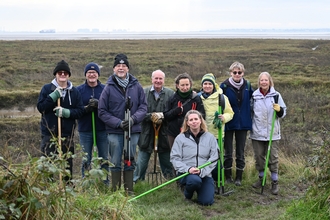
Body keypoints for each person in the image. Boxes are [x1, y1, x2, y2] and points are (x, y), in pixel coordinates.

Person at [98, 54, 147, 193]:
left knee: (130, 159)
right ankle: (115, 191)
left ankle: (128, 190)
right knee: (114, 160)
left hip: (133, 130)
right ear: (114, 69)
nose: (121, 68)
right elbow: (102, 111)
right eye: (118, 66)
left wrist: (133, 120)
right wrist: (118, 123)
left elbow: (143, 107)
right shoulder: (108, 88)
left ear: (128, 68)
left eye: (123, 66)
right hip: (115, 131)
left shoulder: (136, 86)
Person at [37, 60, 84, 183]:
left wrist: (67, 113)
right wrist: (52, 97)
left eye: (65, 72)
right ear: (55, 74)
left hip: (67, 135)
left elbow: (80, 111)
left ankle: (66, 190)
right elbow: (41, 108)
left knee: (67, 166)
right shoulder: (47, 89)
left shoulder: (74, 92)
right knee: (48, 164)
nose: (62, 74)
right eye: (60, 72)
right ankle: (49, 190)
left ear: (68, 75)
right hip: (50, 134)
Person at [133, 70, 175, 182]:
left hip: (164, 131)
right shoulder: (143, 92)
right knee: (142, 160)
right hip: (146, 131)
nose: (158, 81)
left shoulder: (170, 94)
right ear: (152, 79)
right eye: (156, 78)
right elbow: (137, 112)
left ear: (164, 80)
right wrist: (150, 116)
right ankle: (137, 182)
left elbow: (174, 112)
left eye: (160, 79)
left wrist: (163, 116)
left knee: (166, 159)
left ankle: (169, 181)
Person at [170, 110, 218, 206]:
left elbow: (214, 158)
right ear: (187, 123)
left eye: (196, 119)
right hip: (187, 173)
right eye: (191, 120)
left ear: (200, 120)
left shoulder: (210, 137)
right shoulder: (180, 138)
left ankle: (201, 189)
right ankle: (188, 194)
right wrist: (188, 169)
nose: (194, 121)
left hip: (205, 173)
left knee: (207, 202)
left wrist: (202, 171)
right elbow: (175, 158)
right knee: (194, 180)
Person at [250, 72, 286, 195]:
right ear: (259, 82)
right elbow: (250, 113)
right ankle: (261, 178)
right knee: (259, 157)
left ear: (270, 82)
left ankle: (275, 182)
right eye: (262, 80)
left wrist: (280, 110)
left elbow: (283, 112)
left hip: (272, 133)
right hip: (257, 132)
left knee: (273, 158)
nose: (264, 82)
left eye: (266, 80)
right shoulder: (254, 96)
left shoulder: (276, 96)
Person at [220, 61, 254, 186]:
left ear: (243, 73)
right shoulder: (224, 86)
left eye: (240, 72)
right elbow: (216, 97)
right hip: (228, 122)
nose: (237, 74)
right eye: (235, 72)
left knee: (240, 152)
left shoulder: (248, 85)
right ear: (231, 73)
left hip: (243, 123)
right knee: (228, 151)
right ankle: (228, 176)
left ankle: (239, 177)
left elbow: (255, 98)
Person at [76, 62, 109, 184]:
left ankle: (105, 182)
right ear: (85, 74)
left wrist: (99, 105)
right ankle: (86, 182)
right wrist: (86, 108)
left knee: (104, 157)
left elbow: (110, 107)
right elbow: (76, 109)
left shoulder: (105, 89)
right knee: (86, 158)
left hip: (102, 129)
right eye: (89, 72)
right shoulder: (78, 90)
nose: (91, 74)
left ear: (98, 74)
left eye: (94, 72)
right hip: (85, 129)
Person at [198, 73, 234, 182]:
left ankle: (218, 180)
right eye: (205, 84)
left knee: (216, 158)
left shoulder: (222, 98)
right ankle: (207, 181)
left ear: (214, 85)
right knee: (203, 158)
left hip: (217, 134)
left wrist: (224, 117)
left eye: (210, 84)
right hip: (201, 134)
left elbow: (230, 113)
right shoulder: (198, 97)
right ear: (202, 85)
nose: (207, 86)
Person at [164, 72, 205, 149]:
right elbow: (166, 116)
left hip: (192, 134)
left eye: (187, 85)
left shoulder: (196, 99)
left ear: (190, 85)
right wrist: (175, 111)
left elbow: (202, 116)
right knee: (175, 158)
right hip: (173, 134)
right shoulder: (172, 99)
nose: (185, 87)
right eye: (182, 85)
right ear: (177, 85)